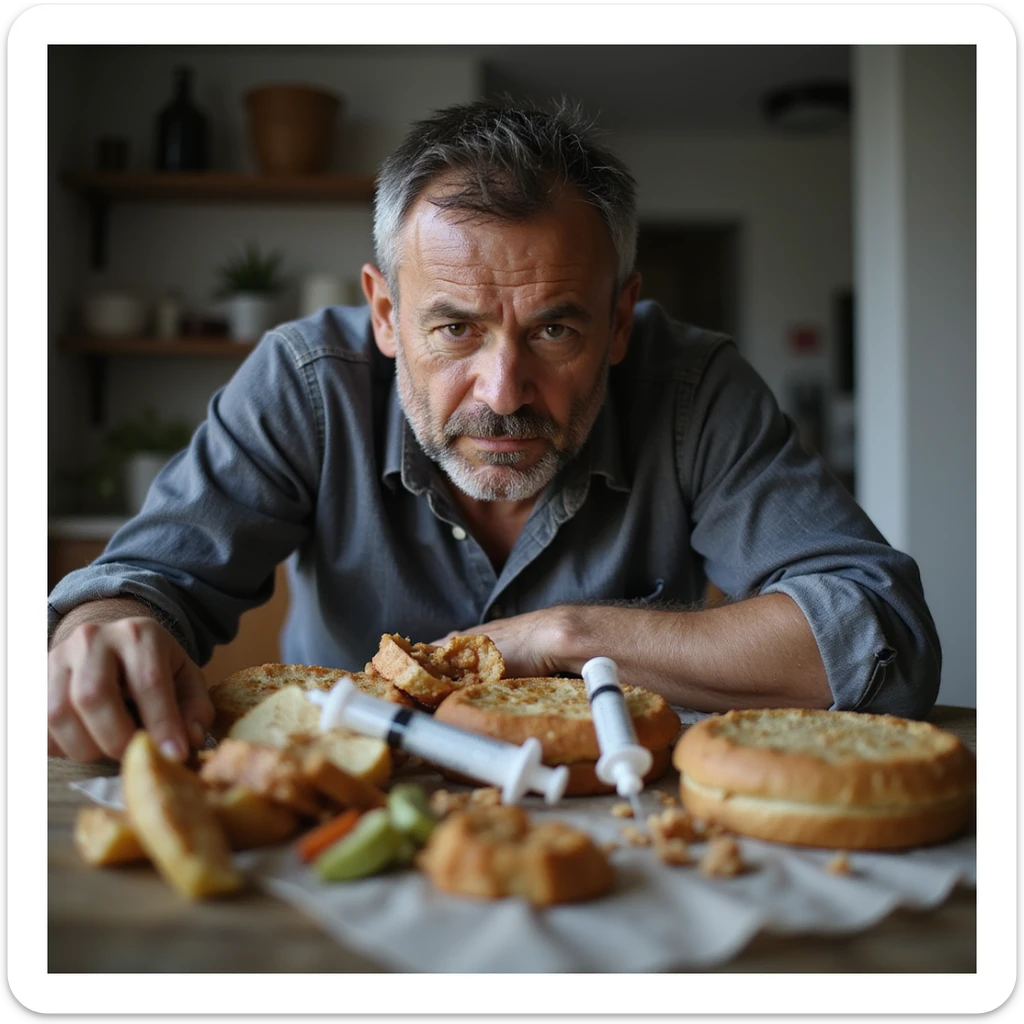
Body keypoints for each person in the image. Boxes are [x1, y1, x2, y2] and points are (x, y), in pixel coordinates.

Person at [47, 100, 941, 764]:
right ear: (386, 314)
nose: (503, 392)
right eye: (454, 329)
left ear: (621, 319)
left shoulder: (694, 388)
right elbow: (148, 581)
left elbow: (880, 633)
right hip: (333, 799)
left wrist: (562, 639)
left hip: (620, 819)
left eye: (555, 328)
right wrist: (108, 622)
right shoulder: (304, 381)